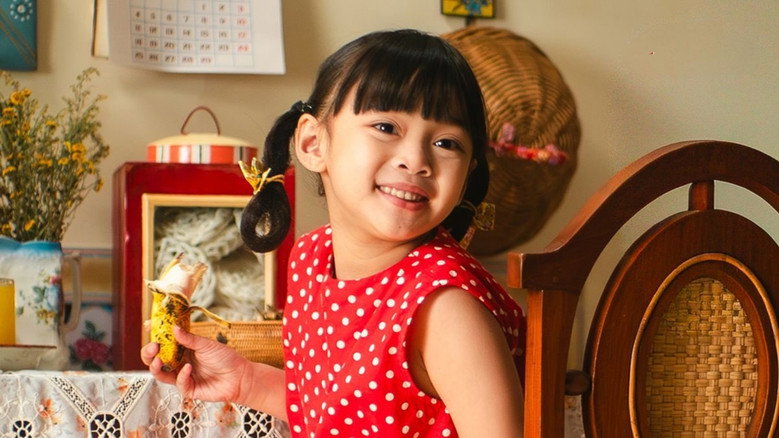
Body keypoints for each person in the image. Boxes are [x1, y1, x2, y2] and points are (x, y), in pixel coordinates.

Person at [142, 28, 526, 437]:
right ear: (313, 143)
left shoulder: (447, 308)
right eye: (386, 127)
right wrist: (247, 381)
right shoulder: (312, 257)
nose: (416, 160)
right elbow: (337, 411)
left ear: (468, 172)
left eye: (447, 143)